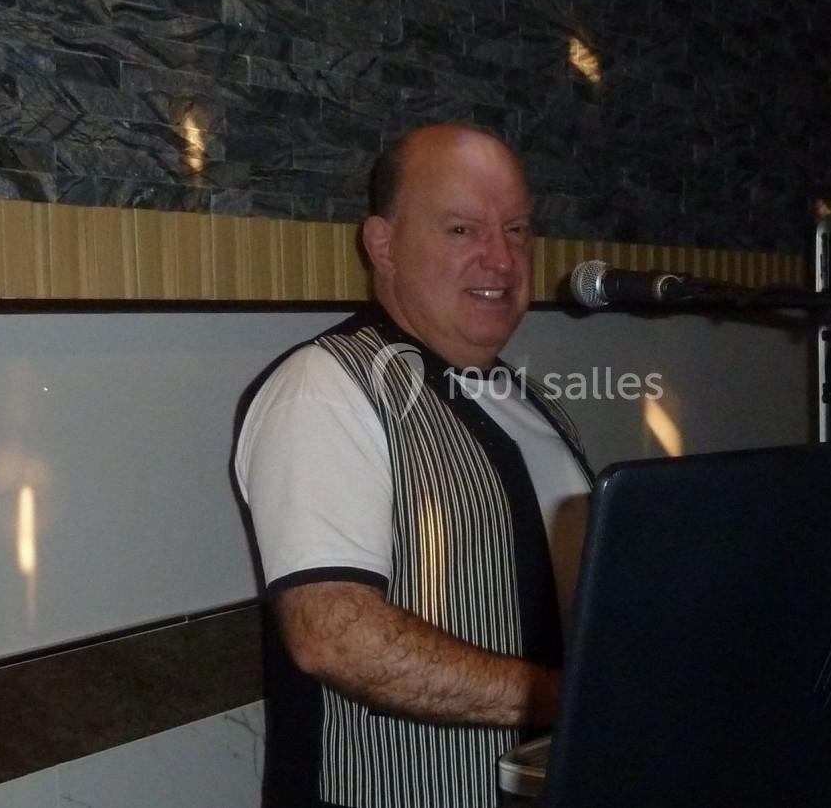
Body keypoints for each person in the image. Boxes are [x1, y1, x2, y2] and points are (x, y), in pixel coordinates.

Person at [234, 123, 593, 808]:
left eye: (516, 230)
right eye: (462, 230)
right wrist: (564, 698)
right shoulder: (325, 387)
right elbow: (332, 634)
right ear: (383, 243)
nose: (500, 259)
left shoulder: (531, 401)